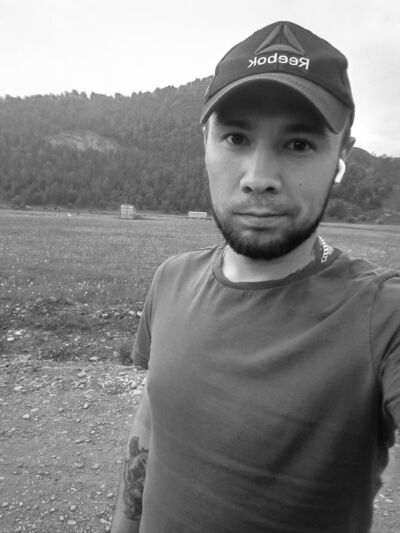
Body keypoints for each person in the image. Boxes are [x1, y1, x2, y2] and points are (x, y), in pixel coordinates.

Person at [111, 21, 400, 533]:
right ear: (206, 141)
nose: (259, 178)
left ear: (342, 155)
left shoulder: (382, 315)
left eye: (300, 144)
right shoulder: (171, 281)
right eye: (236, 138)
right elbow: (153, 418)